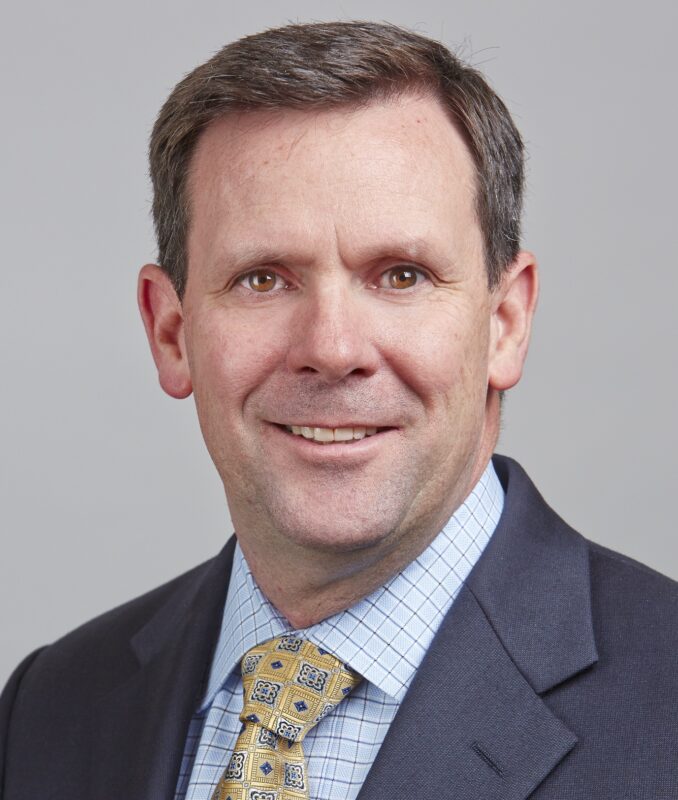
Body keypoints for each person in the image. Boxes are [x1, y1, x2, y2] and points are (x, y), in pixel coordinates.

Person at [1, 20, 676, 800]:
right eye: (263, 279)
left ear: (505, 323)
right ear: (171, 332)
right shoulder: (50, 708)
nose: (332, 347)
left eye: (401, 275)